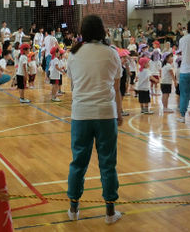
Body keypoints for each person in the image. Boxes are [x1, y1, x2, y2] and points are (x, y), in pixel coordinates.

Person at [66, 15, 123, 224]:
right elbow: (117, 88)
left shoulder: (73, 54)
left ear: (83, 31)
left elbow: (73, 85)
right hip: (105, 113)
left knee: (78, 162)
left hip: (80, 114)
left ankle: (73, 209)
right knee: (108, 163)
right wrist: (120, 112)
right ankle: (110, 212)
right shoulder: (111, 53)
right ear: (102, 30)